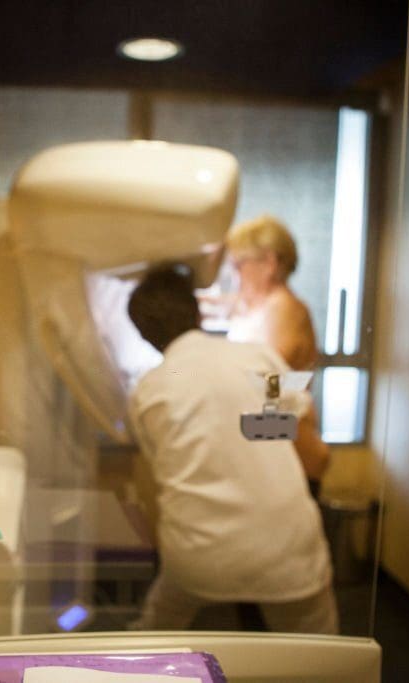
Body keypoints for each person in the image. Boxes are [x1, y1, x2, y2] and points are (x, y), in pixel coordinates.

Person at [126, 264, 336, 633]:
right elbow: (305, 445)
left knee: (156, 629)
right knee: (324, 657)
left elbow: (169, 464)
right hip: (287, 554)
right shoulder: (258, 358)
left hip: (198, 558)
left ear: (145, 335)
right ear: (196, 310)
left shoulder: (149, 390)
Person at [224, 215, 318, 371]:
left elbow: (273, 378)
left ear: (269, 263)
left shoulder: (283, 307)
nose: (236, 276)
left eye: (239, 265)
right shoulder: (263, 306)